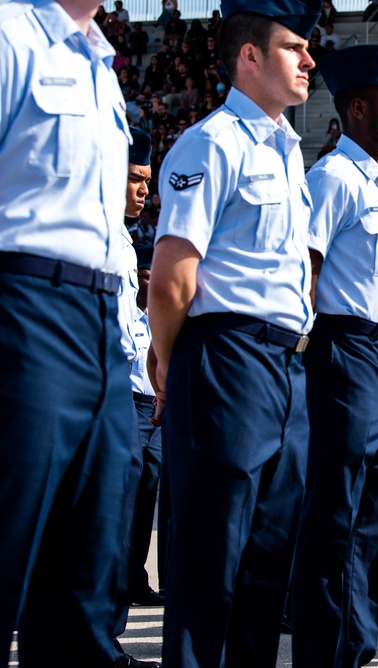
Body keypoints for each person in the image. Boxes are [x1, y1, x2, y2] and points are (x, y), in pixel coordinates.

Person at [147, 1, 319, 665]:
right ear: (250, 57)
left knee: (267, 559)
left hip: (284, 366)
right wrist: (170, 365)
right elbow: (171, 280)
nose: (309, 62)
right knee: (210, 553)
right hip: (226, 358)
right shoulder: (211, 143)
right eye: (293, 49)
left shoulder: (284, 151)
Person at [0, 4, 133, 665]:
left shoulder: (100, 61)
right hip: (24, 304)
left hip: (100, 318)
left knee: (86, 568)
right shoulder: (9, 34)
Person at [290, 45, 378, 668]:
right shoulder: (334, 179)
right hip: (343, 353)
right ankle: (329, 649)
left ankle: (357, 642)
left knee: (375, 515)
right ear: (358, 110)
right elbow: (305, 275)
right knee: (338, 513)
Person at [110, 127, 162, 668]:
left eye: (146, 181)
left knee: (130, 518)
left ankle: (110, 635)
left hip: (140, 397)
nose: (143, 190)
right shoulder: (101, 234)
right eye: (134, 179)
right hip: (114, 397)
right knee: (111, 518)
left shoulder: (126, 239)